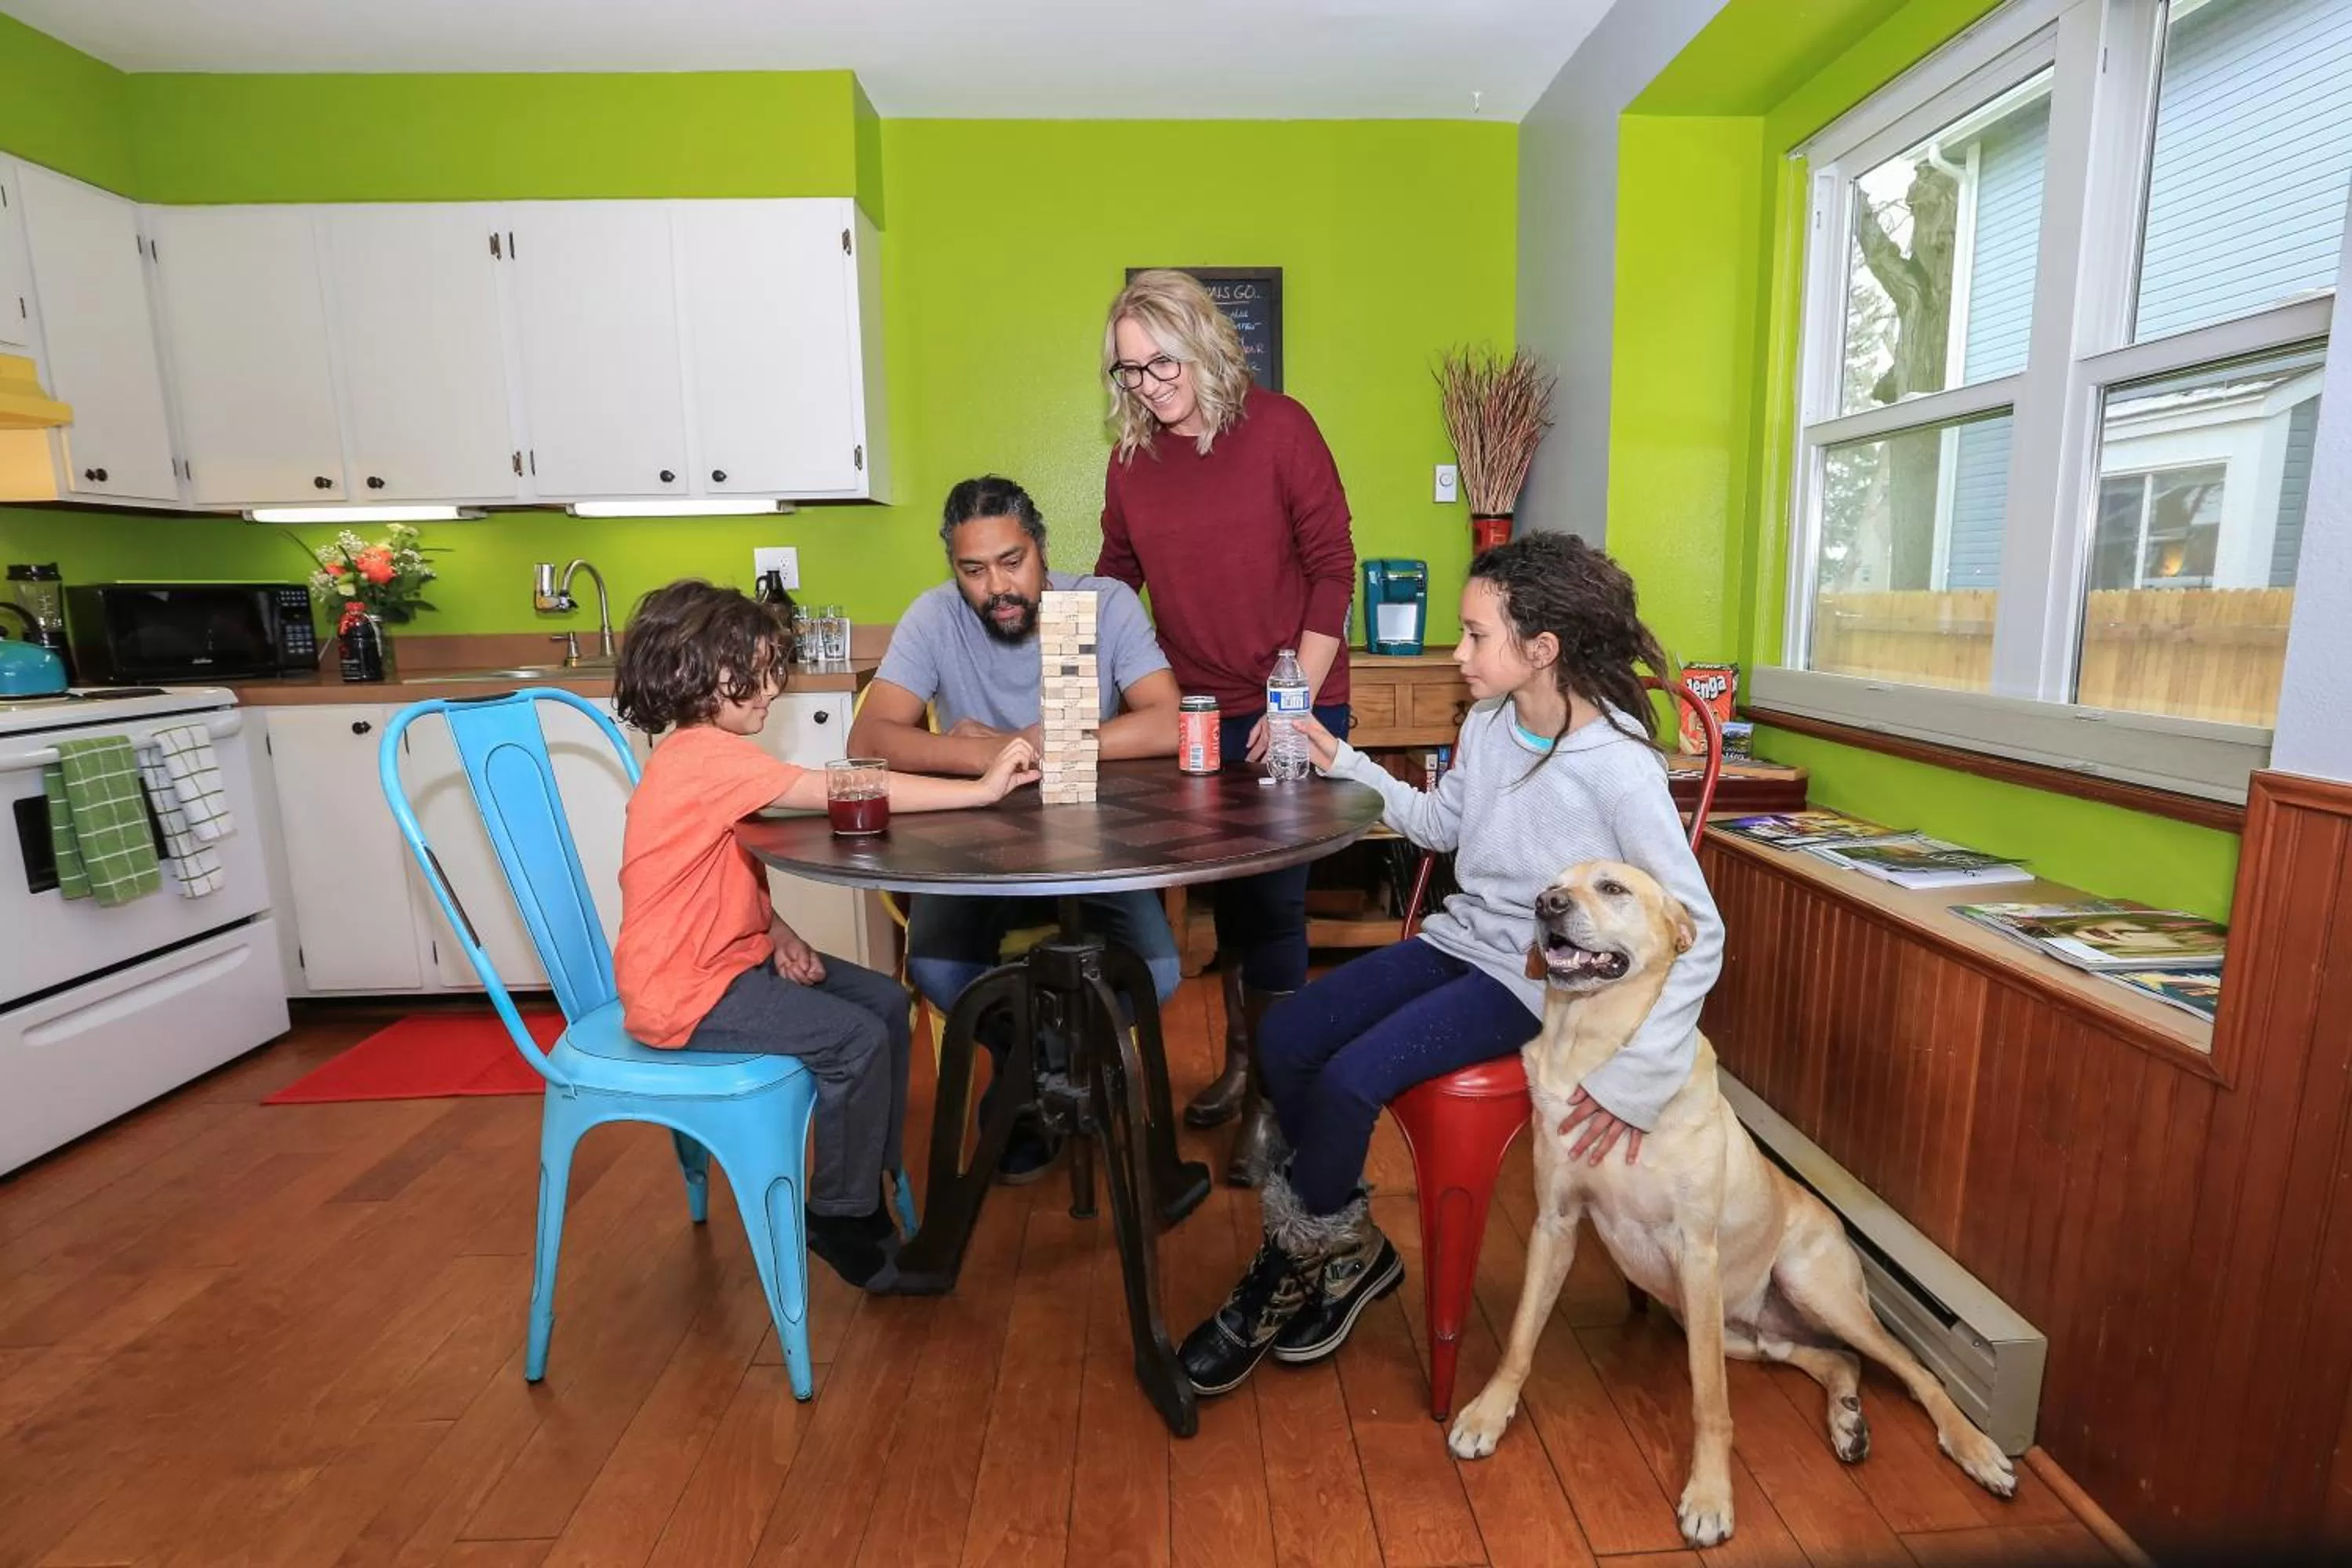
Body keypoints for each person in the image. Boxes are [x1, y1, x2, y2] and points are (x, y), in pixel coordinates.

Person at [1175, 533, 1726, 1395]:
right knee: (1286, 1033)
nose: (1459, 654)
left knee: (1353, 1076)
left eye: (1475, 636)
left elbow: (1701, 929)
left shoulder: (1620, 770)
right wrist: (1343, 760)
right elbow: (1439, 828)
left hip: (1534, 978)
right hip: (1458, 939)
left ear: (1541, 650)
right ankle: (1346, 1245)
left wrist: (1640, 1078)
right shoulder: (1491, 724)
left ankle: (1292, 1262)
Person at [611, 579, 1039, 1289]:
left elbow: (713, 873)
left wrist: (777, 931)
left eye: (772, 669)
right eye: (751, 671)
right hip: (682, 992)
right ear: (692, 670)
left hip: (730, 963)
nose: (770, 687)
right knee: (855, 1038)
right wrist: (979, 790)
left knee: (881, 1001)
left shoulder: (706, 758)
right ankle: (840, 1216)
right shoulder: (702, 757)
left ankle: (866, 1173)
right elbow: (849, 791)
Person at [1096, 268, 1358, 1185]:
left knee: (1278, 895)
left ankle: (1274, 1100)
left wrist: (1295, 699)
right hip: (1198, 708)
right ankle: (1248, 1062)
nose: (1148, 383)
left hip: (1298, 690)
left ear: (1203, 342)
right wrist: (1064, 653)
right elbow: (1114, 579)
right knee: (1231, 893)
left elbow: (1333, 568)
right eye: (1129, 371)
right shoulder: (1132, 462)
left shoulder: (1282, 428)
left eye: (1161, 359)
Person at [850, 474, 1185, 1179]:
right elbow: (868, 739)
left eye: (1012, 562)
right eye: (974, 570)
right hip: (975, 849)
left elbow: (1167, 719)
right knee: (936, 965)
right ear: (954, 569)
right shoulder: (935, 617)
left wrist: (1051, 738)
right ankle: (1038, 1068)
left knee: (1157, 970)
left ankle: (1043, 1075)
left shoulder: (1102, 604)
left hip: (1091, 845)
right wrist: (981, 754)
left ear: (1041, 550)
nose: (996, 586)